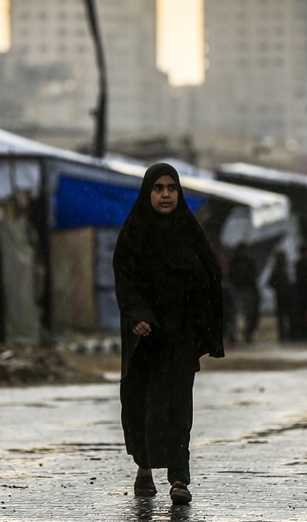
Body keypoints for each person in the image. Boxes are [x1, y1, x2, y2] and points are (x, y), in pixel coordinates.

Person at [113, 163, 225, 505]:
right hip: (145, 338)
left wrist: (196, 315)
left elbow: (211, 275)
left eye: (171, 188)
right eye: (158, 188)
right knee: (142, 405)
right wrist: (139, 316)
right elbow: (125, 278)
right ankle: (144, 468)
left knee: (177, 407)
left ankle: (179, 477)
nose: (165, 194)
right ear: (148, 193)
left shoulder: (189, 232)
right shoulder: (135, 234)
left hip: (179, 338)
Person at [228, 243, 259, 344]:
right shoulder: (237, 262)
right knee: (236, 313)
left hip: (244, 289)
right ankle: (236, 335)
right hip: (239, 289)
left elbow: (252, 276)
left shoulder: (247, 262)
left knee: (245, 313)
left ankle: (246, 334)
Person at [267, 250, 294, 342]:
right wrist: (278, 288)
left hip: (287, 296)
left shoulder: (287, 269)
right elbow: (270, 283)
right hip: (281, 296)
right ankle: (283, 334)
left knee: (287, 316)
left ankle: (288, 333)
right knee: (282, 316)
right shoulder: (277, 270)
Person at [292, 244, 307, 342]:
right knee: (304, 314)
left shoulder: (299, 264)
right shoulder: (304, 264)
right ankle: (302, 333)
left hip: (301, 293)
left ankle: (301, 333)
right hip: (303, 293)